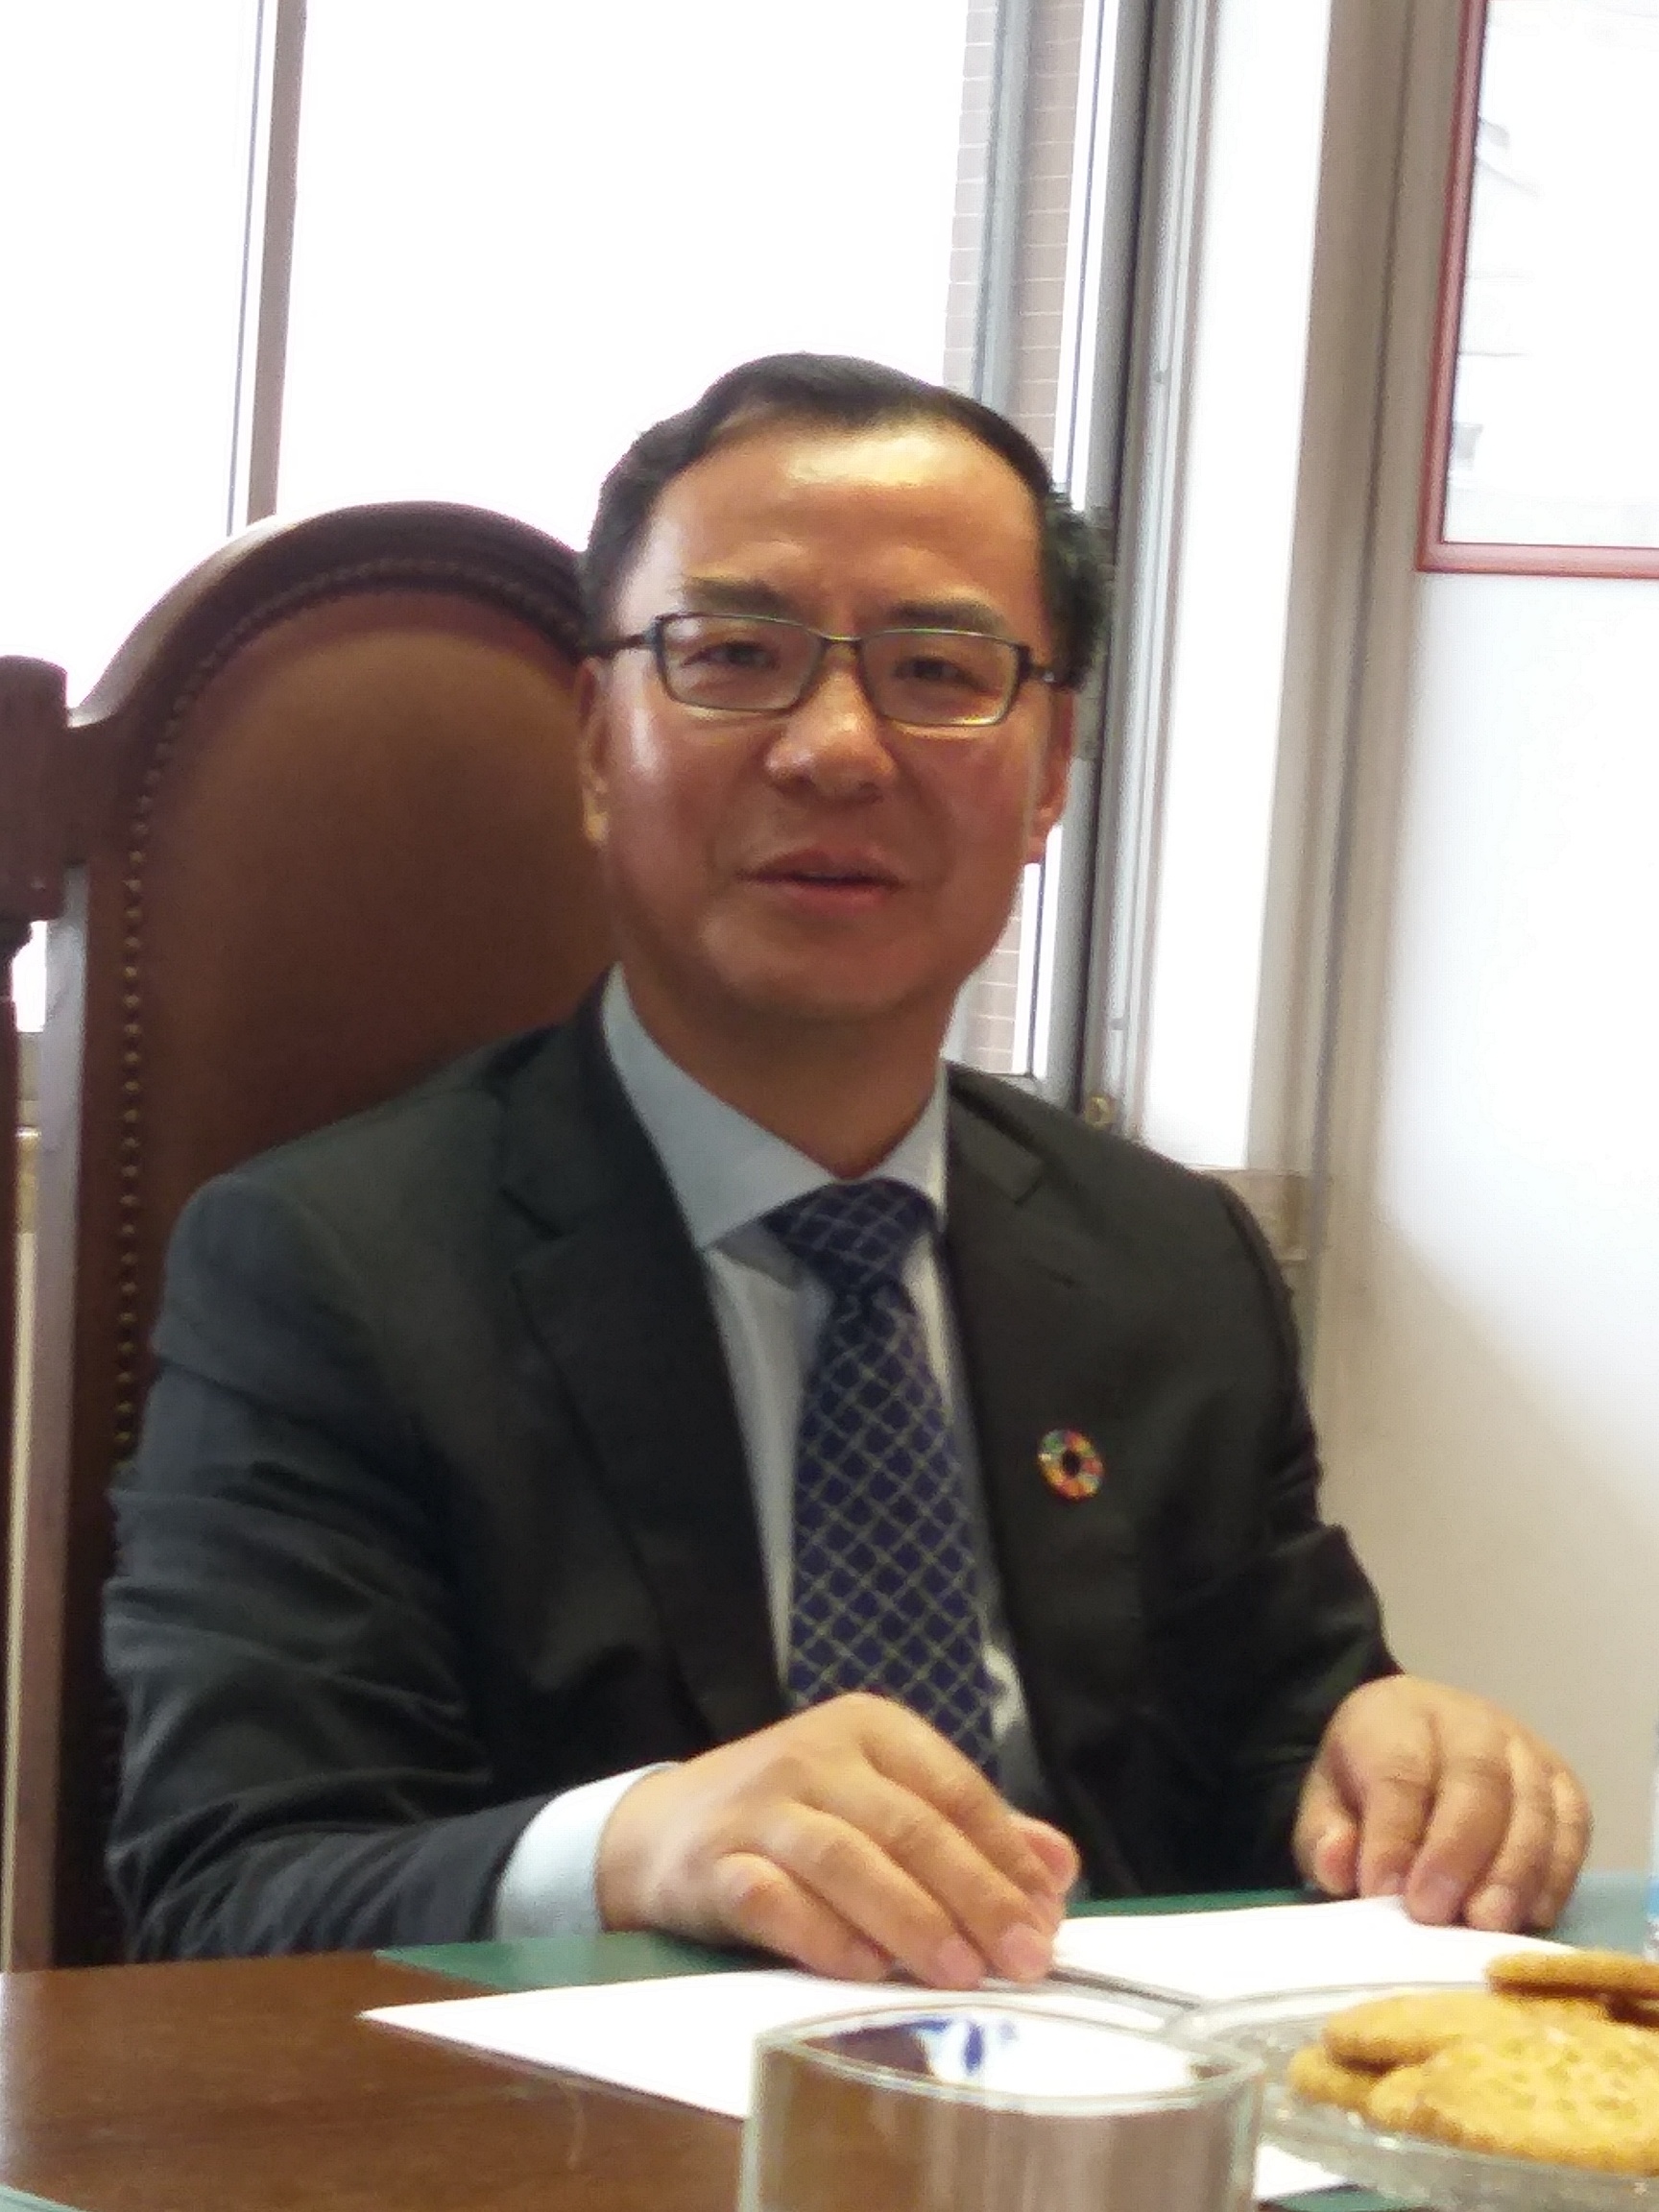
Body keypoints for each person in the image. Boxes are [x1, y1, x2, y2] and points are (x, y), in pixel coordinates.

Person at [105, 354, 1589, 1976]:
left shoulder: (1169, 1261)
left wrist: (1389, 1766)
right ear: (598, 742)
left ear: (1051, 771)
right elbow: (229, 1892)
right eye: (735, 657)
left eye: (938, 671)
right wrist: (637, 1843)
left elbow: (1274, 1745)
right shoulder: (328, 1271)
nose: (835, 749)